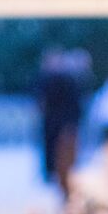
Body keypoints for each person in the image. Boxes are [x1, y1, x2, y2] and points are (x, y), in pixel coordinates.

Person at [37, 50, 83, 196]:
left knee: (64, 155)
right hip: (55, 123)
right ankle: (53, 173)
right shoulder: (50, 79)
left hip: (61, 123)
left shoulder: (66, 80)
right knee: (53, 151)